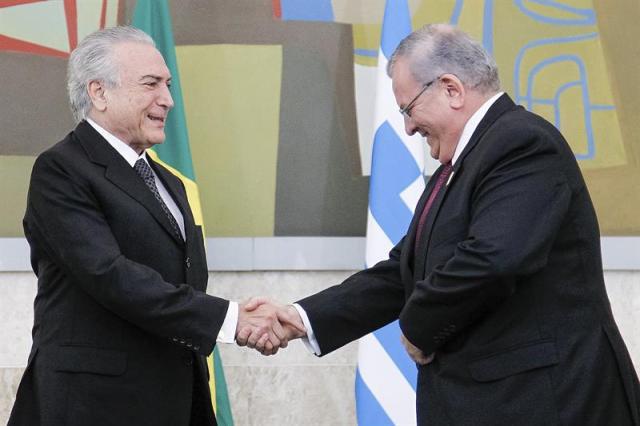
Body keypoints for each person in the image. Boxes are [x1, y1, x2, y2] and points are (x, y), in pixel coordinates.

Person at [239, 24, 640, 425]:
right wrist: (299, 317)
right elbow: (403, 273)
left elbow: (493, 259)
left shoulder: (522, 143)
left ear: (451, 88)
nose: (409, 127)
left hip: (549, 404)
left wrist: (418, 327)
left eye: (407, 109)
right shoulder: (462, 164)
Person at [9, 26, 301, 426]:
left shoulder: (169, 181)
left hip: (175, 397)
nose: (168, 100)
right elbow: (109, 274)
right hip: (93, 405)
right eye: (151, 85)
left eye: (167, 85)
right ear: (99, 92)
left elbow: (182, 280)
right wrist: (232, 320)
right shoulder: (61, 170)